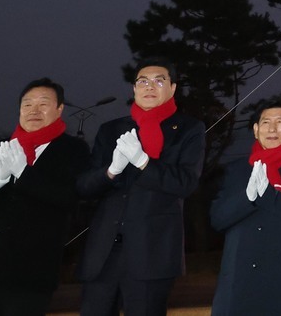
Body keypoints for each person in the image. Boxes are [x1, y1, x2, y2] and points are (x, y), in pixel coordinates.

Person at [76, 58, 205, 316]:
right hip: (105, 251)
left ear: (173, 88)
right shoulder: (111, 129)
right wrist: (111, 171)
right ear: (134, 89)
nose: (150, 87)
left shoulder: (189, 129)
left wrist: (143, 162)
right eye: (143, 81)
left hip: (152, 251)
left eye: (159, 81)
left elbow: (185, 183)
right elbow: (83, 187)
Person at [0, 77, 91, 316]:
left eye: (43, 103)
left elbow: (69, 198)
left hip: (28, 278)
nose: (34, 110)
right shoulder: (0, 148)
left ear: (59, 109)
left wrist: (24, 175)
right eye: (27, 104)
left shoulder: (73, 150)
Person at [209, 98, 281, 316]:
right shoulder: (237, 170)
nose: (271, 128)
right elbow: (217, 218)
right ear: (255, 129)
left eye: (280, 122)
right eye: (265, 122)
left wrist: (268, 194)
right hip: (237, 280)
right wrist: (248, 197)